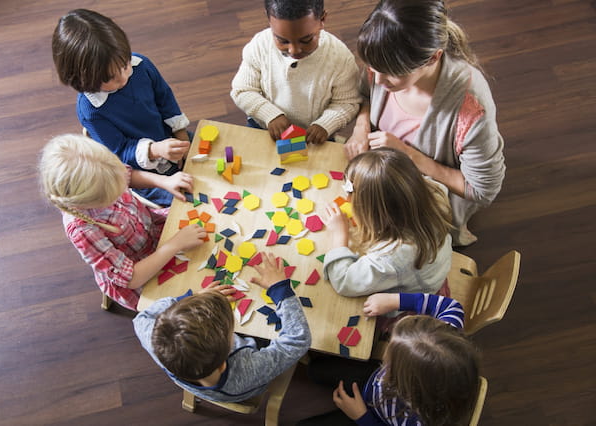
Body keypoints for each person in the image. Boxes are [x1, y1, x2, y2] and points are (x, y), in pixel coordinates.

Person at [344, 0, 505, 246]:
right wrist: (361, 127)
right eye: (372, 69)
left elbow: (482, 190)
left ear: (433, 58)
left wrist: (410, 156)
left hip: (425, 202)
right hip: (385, 177)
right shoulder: (381, 63)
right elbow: (365, 95)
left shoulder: (469, 109)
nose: (377, 80)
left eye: (391, 74)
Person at [39, 133, 203, 311]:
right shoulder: (82, 230)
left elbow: (129, 176)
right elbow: (132, 278)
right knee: (194, 303)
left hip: (155, 227)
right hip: (142, 273)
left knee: (206, 218)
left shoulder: (103, 169)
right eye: (113, 196)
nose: (121, 190)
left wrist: (165, 181)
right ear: (87, 202)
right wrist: (175, 244)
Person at [52, 9, 191, 206]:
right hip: (144, 172)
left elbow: (165, 99)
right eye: (110, 78)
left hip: (170, 138)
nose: (124, 78)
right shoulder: (91, 111)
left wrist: (181, 134)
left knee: (218, 160)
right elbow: (120, 152)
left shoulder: (141, 65)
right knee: (189, 202)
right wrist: (156, 150)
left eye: (125, 65)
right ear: (82, 80)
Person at [133, 252, 311, 402]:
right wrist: (279, 289)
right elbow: (298, 339)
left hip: (202, 386)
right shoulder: (249, 368)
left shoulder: (158, 343)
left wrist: (189, 301)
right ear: (222, 364)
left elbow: (141, 318)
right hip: (247, 389)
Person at [298, 292, 480, 426]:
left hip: (374, 417)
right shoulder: (445, 333)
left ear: (407, 385)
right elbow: (451, 306)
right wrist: (395, 300)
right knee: (316, 369)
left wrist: (361, 416)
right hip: (372, 385)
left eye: (390, 358)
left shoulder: (415, 421)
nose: (384, 355)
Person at [323, 148, 452, 300]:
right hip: (430, 273)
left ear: (379, 213)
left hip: (411, 301)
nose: (347, 198)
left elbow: (345, 281)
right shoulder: (433, 192)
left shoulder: (394, 255)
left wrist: (340, 235)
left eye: (351, 193)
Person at [230, 0, 361, 145]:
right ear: (268, 19)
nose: (294, 50)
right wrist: (269, 115)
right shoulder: (260, 45)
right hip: (265, 125)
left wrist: (325, 124)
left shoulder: (341, 59)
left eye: (306, 40)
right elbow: (242, 91)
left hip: (314, 134)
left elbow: (348, 103)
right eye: (282, 41)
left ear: (322, 20)